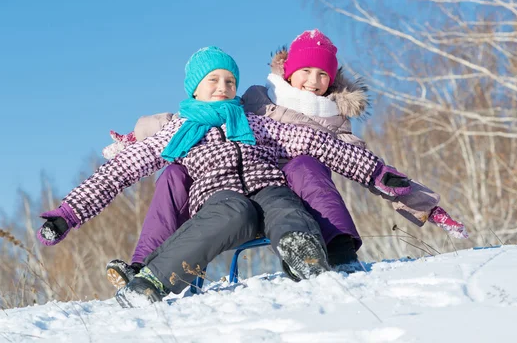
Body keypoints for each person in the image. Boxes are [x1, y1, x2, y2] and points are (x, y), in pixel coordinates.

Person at [36, 46, 431, 307]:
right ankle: (151, 281)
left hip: (268, 189)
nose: (224, 87)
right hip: (218, 200)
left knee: (286, 206)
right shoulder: (177, 131)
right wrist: (67, 214)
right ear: (196, 88)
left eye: (230, 81)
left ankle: (305, 255)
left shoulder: (258, 123)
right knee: (233, 211)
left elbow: (321, 145)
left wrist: (380, 174)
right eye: (214, 81)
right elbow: (118, 172)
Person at [102, 30, 468, 288]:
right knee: (175, 172)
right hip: (229, 188)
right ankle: (143, 265)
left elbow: (364, 165)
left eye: (323, 74)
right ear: (289, 71)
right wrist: (135, 140)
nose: (313, 81)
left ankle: (335, 247)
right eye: (306, 71)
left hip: (289, 198)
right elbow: (195, 118)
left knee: (303, 165)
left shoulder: (335, 121)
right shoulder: (257, 100)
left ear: (332, 80)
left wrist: (422, 203)